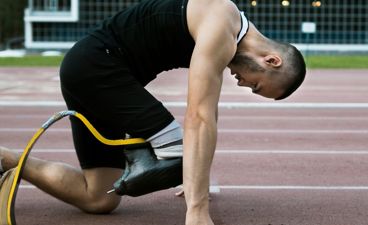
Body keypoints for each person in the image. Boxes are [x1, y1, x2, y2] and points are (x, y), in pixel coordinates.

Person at [0, 0, 306, 224]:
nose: (245, 85)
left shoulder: (228, 36)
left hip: (102, 77)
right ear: (271, 61)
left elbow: (207, 117)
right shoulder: (221, 20)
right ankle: (168, 171)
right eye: (257, 86)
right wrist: (197, 211)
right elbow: (200, 117)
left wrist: (192, 176)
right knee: (177, 148)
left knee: (98, 198)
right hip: (97, 66)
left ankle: (6, 159)